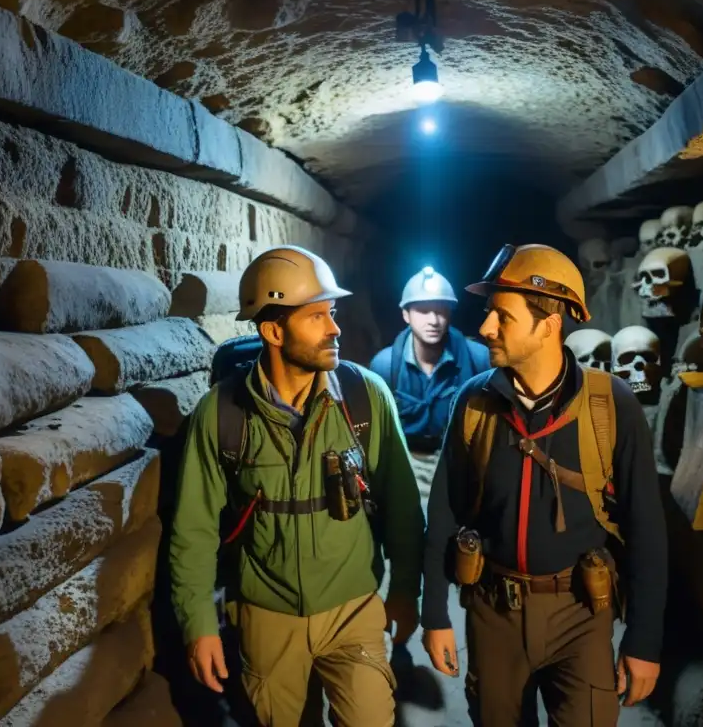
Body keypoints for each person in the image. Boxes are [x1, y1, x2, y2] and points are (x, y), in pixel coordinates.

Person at [170, 245, 425, 727]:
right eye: (317, 317)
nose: (335, 328)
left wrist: (405, 591)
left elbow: (404, 509)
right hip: (267, 615)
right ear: (272, 330)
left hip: (353, 609)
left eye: (332, 313)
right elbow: (194, 528)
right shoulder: (221, 414)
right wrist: (199, 623)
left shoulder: (364, 397)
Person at [420, 244, 668, 725]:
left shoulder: (611, 405)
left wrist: (644, 642)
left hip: (581, 613)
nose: (486, 328)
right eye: (489, 314)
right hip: (494, 611)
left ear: (549, 325)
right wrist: (435, 614)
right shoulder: (474, 402)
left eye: (502, 317)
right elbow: (444, 513)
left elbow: (646, 529)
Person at [369, 266, 490, 454]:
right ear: (406, 315)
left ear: (450, 314)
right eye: (423, 311)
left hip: (459, 459)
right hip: (406, 460)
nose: (433, 320)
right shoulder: (385, 366)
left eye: (441, 311)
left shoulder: (479, 359)